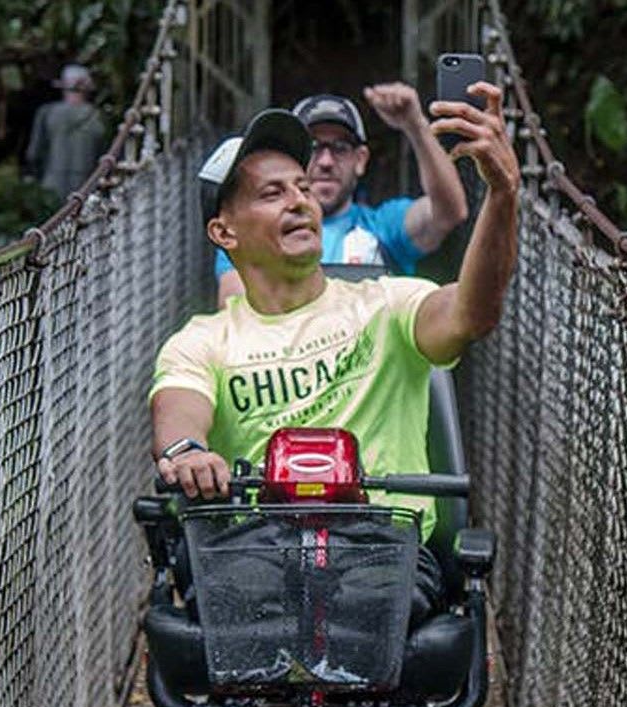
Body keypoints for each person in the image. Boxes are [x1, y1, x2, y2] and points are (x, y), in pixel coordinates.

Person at [153, 88, 518, 623]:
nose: (300, 200)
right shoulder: (203, 340)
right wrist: (188, 453)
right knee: (229, 596)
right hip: (255, 548)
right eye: (272, 193)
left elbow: (472, 312)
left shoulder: (389, 304)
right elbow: (180, 411)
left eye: (303, 188)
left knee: (374, 607)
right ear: (223, 230)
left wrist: (503, 197)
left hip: (382, 546)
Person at [213, 85, 470, 306]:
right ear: (291, 160)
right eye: (313, 147)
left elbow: (449, 211)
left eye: (340, 147)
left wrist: (416, 126)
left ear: (361, 160)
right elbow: (235, 308)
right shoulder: (250, 231)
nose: (326, 161)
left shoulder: (383, 228)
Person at [25, 63, 108, 198]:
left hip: (51, 185)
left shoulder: (47, 113)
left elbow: (34, 153)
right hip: (85, 188)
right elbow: (105, 155)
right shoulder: (98, 118)